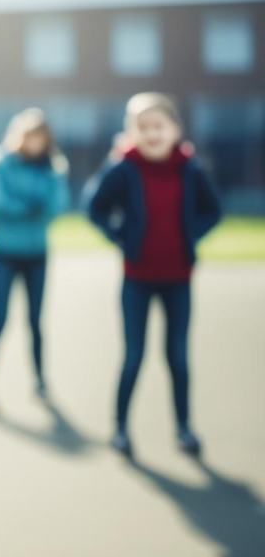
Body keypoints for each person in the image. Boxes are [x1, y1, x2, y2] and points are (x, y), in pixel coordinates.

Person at [86, 92, 222, 457]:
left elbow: (213, 211)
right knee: (133, 356)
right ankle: (119, 429)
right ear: (131, 133)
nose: (151, 134)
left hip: (178, 277)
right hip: (137, 278)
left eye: (158, 126)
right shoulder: (123, 167)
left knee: (177, 356)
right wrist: (120, 236)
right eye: (142, 128)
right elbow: (94, 206)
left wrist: (191, 232)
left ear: (175, 130)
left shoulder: (191, 168)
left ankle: (183, 428)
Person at [0, 108, 69, 400]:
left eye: (38, 137)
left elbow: (56, 204)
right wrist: (28, 206)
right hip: (5, 254)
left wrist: (29, 206)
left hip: (36, 255)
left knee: (35, 322)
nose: (32, 142)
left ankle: (40, 380)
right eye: (28, 136)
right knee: (0, 319)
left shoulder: (53, 166)